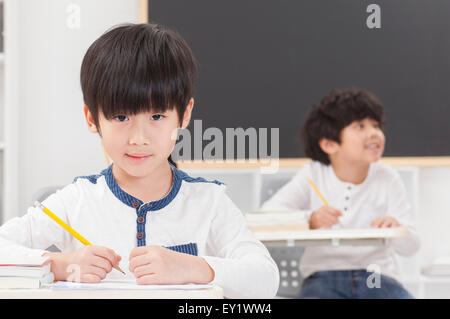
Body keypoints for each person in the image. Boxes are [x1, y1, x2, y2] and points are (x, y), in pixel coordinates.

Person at [0, 23, 279, 299]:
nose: (138, 138)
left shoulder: (209, 201)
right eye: (121, 117)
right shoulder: (77, 200)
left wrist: (193, 267)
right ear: (91, 118)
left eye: (157, 117)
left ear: (184, 115)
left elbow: (265, 279)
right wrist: (60, 265)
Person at [261, 88, 419, 298]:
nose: (374, 133)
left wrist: (396, 227)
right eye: (360, 126)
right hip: (324, 277)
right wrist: (311, 219)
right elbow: (268, 214)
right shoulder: (313, 174)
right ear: (329, 144)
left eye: (376, 125)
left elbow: (412, 246)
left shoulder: (387, 177)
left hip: (377, 276)